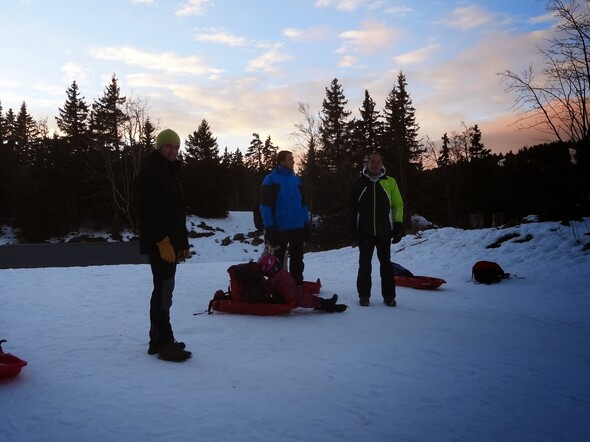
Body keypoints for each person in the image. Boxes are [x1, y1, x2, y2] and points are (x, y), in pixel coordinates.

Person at [137, 128, 192, 362]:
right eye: (169, 146)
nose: (173, 150)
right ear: (160, 147)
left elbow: (176, 215)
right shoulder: (150, 173)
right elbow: (149, 213)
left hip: (170, 244)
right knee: (163, 292)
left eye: (177, 146)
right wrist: (162, 241)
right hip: (159, 244)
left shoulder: (170, 174)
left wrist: (182, 243)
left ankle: (158, 340)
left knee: (164, 291)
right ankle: (163, 343)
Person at [348, 153, 404, 307]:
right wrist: (352, 227)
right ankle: (364, 295)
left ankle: (389, 296)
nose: (375, 165)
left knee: (386, 265)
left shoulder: (390, 182)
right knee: (365, 265)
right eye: (372, 162)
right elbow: (351, 208)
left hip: (384, 231)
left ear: (382, 164)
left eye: (378, 162)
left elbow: (397, 204)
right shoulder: (358, 183)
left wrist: (398, 224)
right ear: (367, 163)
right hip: (364, 231)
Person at [260, 150, 310, 285]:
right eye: (290, 159)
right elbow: (265, 206)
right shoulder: (270, 179)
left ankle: (297, 286)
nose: (293, 161)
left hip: (297, 227)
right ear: (281, 162)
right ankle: (277, 287)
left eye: (292, 158)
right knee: (278, 261)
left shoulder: (296, 180)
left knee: (297, 260)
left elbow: (303, 203)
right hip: (279, 228)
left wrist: (306, 222)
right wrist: (269, 227)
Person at [258, 255, 347, 313]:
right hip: (289, 298)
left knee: (301, 291)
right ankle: (325, 303)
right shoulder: (282, 276)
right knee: (302, 295)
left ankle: (324, 303)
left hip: (282, 296)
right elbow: (297, 298)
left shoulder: (274, 279)